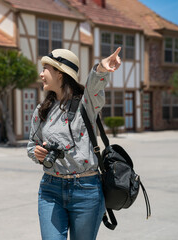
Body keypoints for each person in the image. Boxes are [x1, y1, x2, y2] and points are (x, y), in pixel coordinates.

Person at [27, 48, 121, 240]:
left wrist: (101, 69)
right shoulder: (41, 110)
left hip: (86, 189)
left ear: (59, 73)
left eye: (45, 68)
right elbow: (31, 145)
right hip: (50, 187)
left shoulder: (86, 104)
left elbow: (94, 87)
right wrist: (37, 153)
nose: (41, 73)